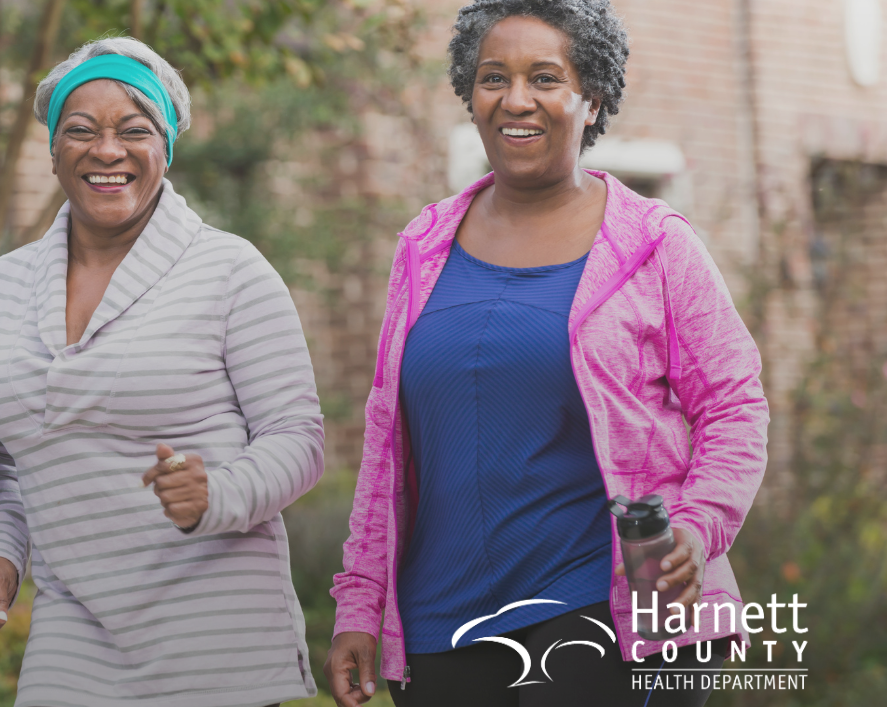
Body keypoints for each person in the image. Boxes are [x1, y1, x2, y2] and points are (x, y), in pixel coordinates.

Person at [324, 1, 769, 706]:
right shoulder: (424, 245)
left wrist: (697, 524)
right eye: (494, 77)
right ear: (470, 96)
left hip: (609, 609)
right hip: (446, 621)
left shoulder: (655, 244)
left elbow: (735, 405)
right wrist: (360, 600)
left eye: (546, 78)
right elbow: (387, 438)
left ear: (591, 99)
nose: (516, 99)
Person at [0, 37, 325, 707]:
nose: (107, 150)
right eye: (81, 130)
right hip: (75, 626)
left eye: (134, 130)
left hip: (213, 632)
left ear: (167, 147)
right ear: (53, 148)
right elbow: (4, 461)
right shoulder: (1, 288)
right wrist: (2, 555)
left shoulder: (228, 270)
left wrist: (220, 492)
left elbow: (298, 436)